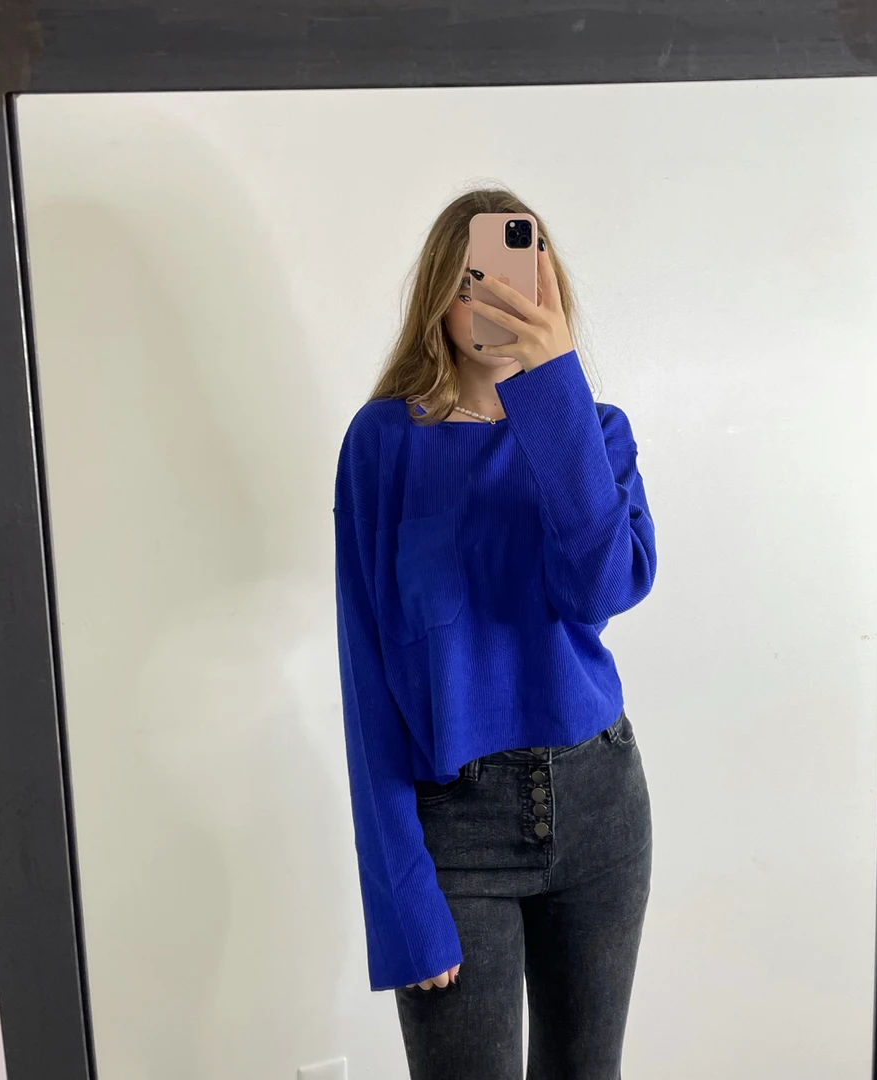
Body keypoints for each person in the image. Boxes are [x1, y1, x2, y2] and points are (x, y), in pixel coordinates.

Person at [332, 187, 657, 1079]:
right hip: (454, 830)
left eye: (519, 276)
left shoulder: (595, 433)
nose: (498, 298)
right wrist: (400, 899)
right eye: (474, 279)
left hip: (599, 802)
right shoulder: (382, 444)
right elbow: (366, 677)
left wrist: (552, 394)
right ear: (440, 296)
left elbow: (601, 588)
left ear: (550, 292)